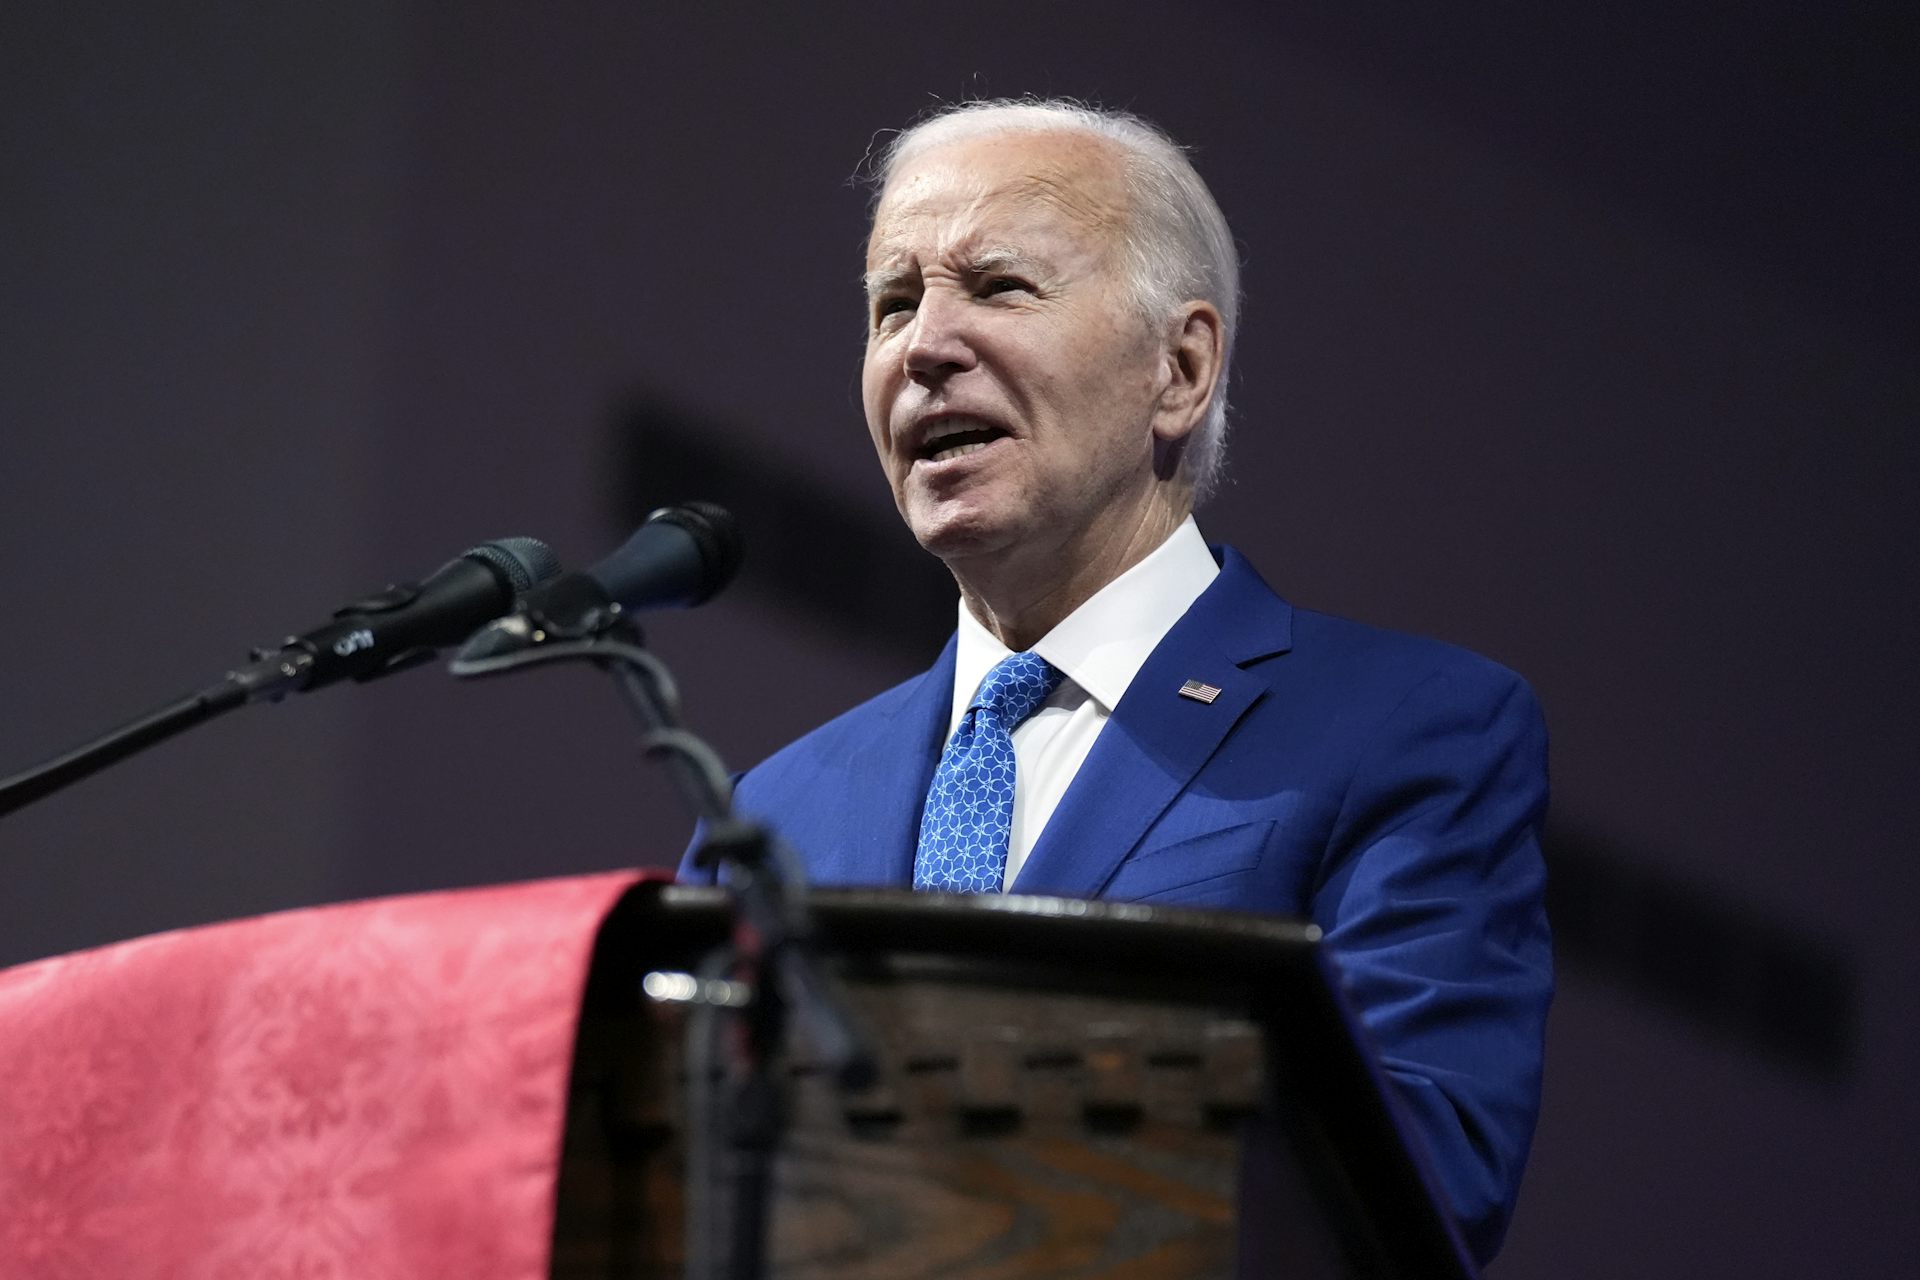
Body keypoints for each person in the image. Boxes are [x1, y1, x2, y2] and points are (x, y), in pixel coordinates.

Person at [683, 98, 1551, 1265]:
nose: (922, 346)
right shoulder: (774, 813)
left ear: (1180, 368)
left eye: (997, 288)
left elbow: (1418, 1177)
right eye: (893, 303)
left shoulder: (1407, 730)